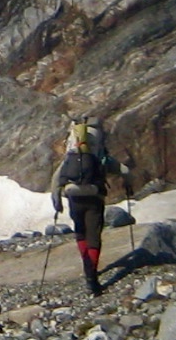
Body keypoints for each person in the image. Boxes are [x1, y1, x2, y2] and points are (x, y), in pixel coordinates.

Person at [47, 118, 125, 297]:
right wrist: (127, 180)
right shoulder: (98, 153)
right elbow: (121, 169)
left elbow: (57, 178)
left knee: (80, 232)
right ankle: (92, 278)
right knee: (94, 236)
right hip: (94, 197)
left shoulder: (72, 153)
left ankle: (87, 267)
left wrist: (57, 200)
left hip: (74, 197)